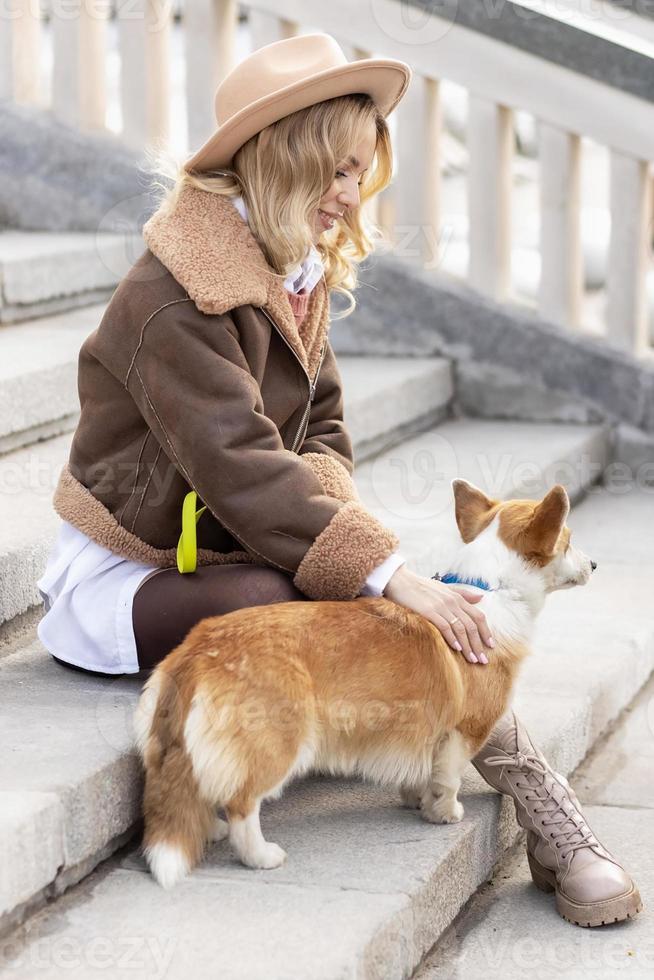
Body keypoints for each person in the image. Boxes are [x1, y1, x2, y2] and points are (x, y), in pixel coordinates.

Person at [36, 32, 640, 927]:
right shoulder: (174, 297)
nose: (351, 194)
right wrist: (389, 574)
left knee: (352, 579)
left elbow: (322, 430)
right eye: (335, 170)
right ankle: (523, 784)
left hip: (233, 537)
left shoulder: (291, 272)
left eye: (361, 173)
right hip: (133, 574)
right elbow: (240, 461)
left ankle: (515, 779)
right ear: (279, 162)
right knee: (318, 585)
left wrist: (378, 563)